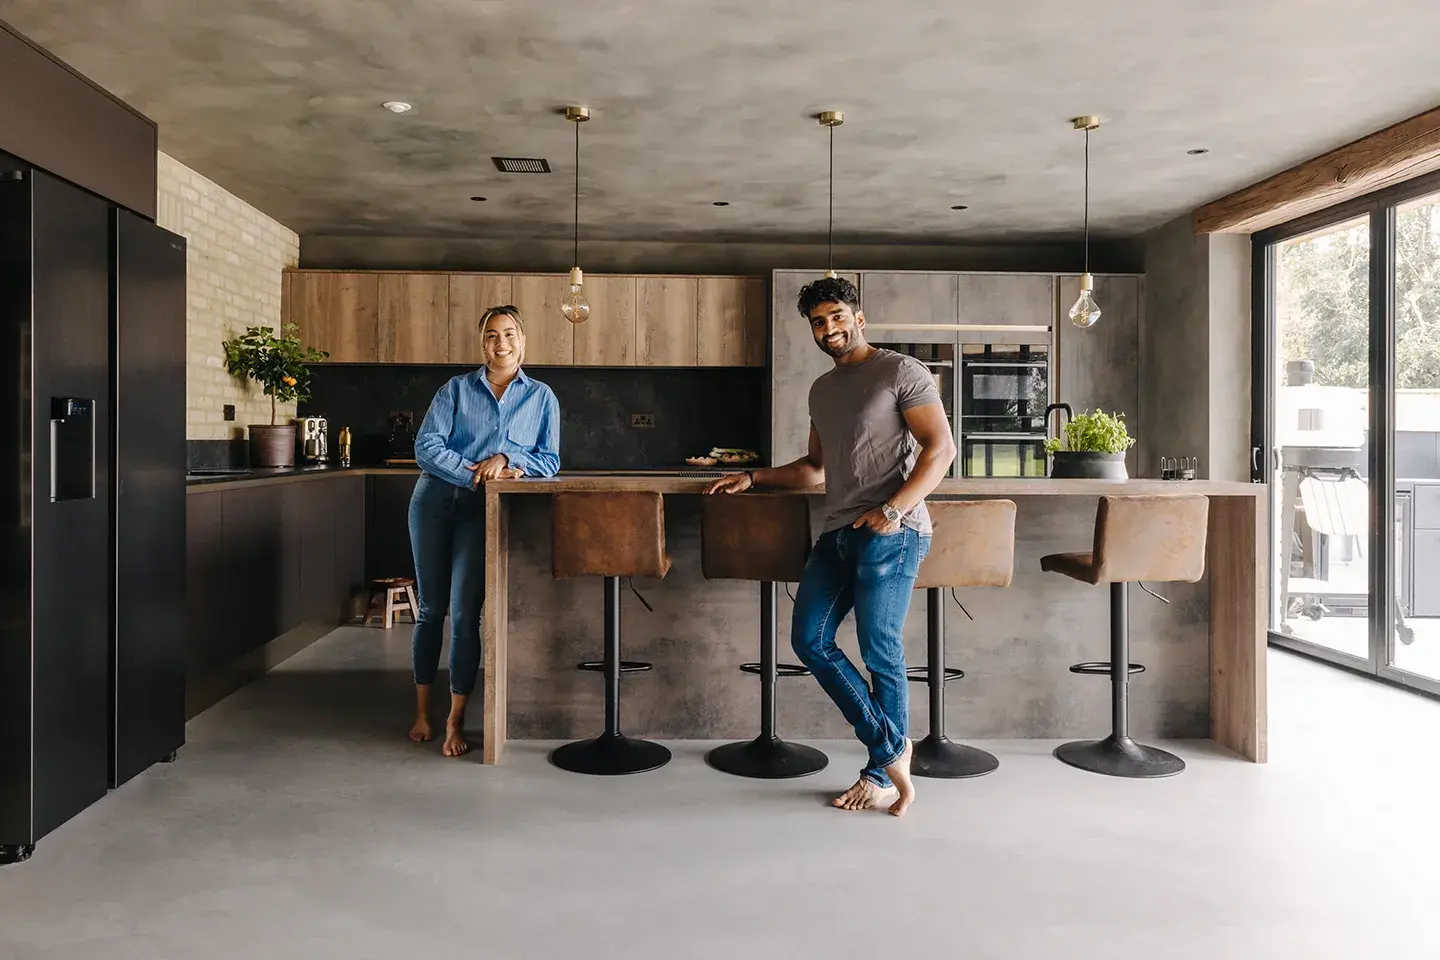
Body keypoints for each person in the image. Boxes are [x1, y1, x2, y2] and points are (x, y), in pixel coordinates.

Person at [706, 276, 955, 816]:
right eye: (819, 322)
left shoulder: (900, 371)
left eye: (837, 316)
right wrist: (752, 477)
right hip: (839, 532)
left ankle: (880, 775)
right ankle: (892, 749)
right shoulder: (822, 389)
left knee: (878, 648)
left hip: (893, 530)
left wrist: (893, 511)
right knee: (809, 640)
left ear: (858, 317)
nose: (829, 328)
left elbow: (942, 448)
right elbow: (814, 470)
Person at [408, 305, 560, 757]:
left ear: (523, 340)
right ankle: (421, 711)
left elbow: (550, 461)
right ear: (482, 344)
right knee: (430, 610)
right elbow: (426, 447)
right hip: (433, 502)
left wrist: (509, 463)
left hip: (482, 512)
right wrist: (474, 470)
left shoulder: (542, 398)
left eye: (509, 334)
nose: (501, 344)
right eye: (492, 336)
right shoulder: (454, 390)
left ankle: (455, 720)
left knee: (464, 615)